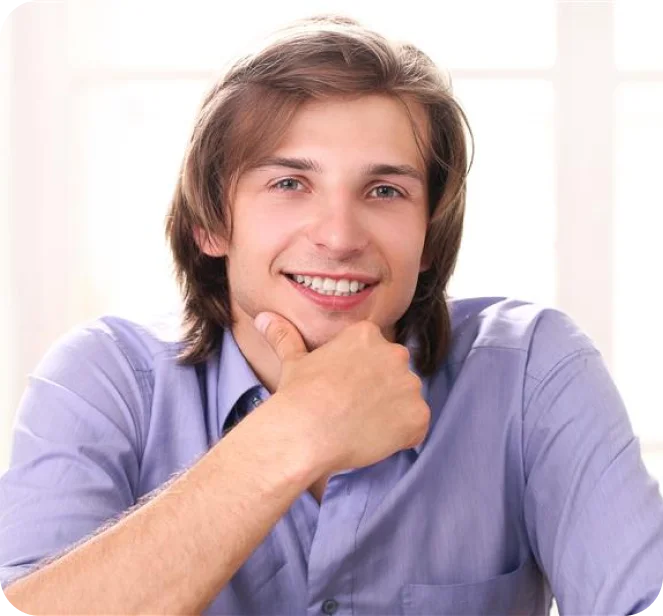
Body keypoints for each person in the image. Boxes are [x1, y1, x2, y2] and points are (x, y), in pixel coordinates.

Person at [1, 13, 662, 615]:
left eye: (383, 190)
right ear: (209, 223)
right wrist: (294, 432)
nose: (340, 235)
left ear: (427, 234)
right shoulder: (101, 379)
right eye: (289, 183)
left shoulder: (530, 372)